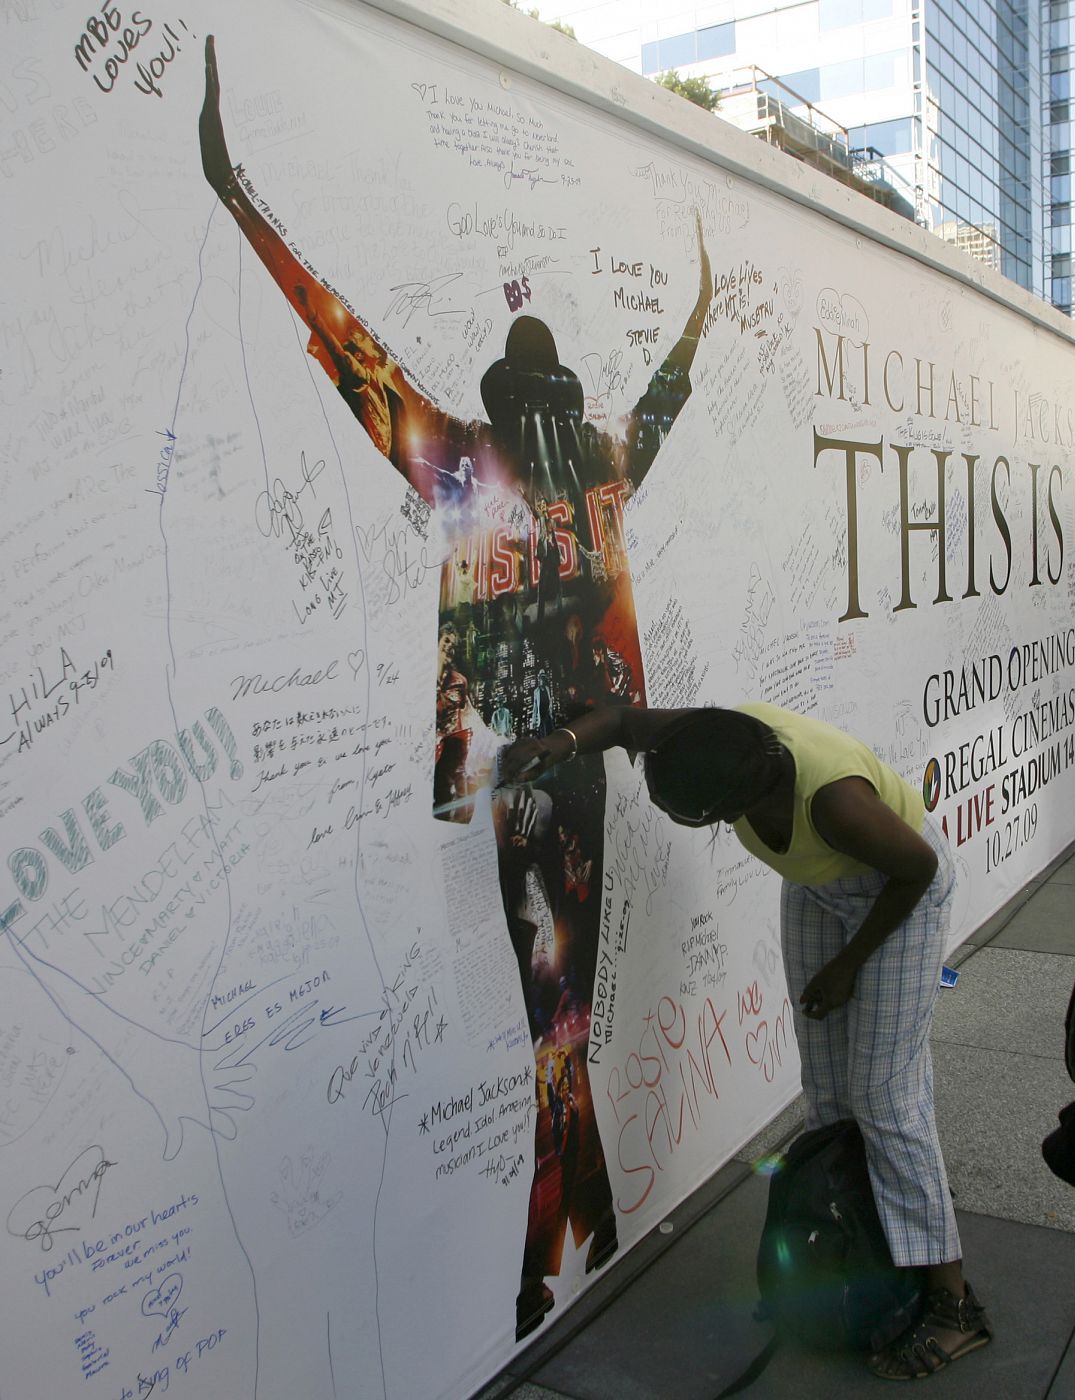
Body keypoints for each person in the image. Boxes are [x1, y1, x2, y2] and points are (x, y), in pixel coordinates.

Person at [200, 38, 715, 1337]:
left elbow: (350, 348)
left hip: (515, 777)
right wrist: (701, 313)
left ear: (502, 398)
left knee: (555, 1024)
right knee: (567, 1015)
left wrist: (241, 197)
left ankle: (536, 1267)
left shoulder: (460, 473)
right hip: (584, 769)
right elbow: (659, 402)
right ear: (563, 402)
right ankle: (583, 1219)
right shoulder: (598, 473)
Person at [501, 704, 993, 1379]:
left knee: (885, 1095)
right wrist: (552, 746)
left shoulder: (834, 805)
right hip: (819, 889)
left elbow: (919, 871)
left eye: (694, 817)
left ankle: (952, 1303)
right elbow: (619, 720)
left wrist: (849, 965)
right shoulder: (701, 740)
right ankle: (864, 1247)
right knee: (825, 1088)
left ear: (742, 799)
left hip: (897, 894)